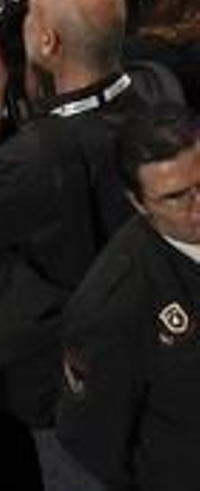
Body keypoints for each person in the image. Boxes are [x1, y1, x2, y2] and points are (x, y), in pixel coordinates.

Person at [0, 0, 144, 482]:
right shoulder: (156, 87)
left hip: (74, 384)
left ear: (50, 43)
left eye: (29, 14)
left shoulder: (42, 154)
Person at [56, 107, 200, 490]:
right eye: (175, 198)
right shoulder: (114, 303)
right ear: (139, 204)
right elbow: (92, 438)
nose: (198, 206)